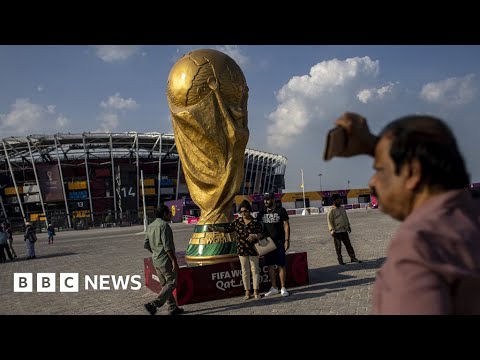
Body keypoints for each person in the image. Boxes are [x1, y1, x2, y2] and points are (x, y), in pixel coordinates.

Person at [326, 111, 480, 314]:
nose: (372, 182)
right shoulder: (469, 216)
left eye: (380, 169)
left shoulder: (420, 244)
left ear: (413, 173)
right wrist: (378, 145)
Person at [209, 200, 264, 300]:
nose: (243, 213)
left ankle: (256, 291)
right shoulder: (237, 222)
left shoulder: (255, 222)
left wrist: (255, 236)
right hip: (242, 250)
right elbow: (227, 229)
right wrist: (216, 228)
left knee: (255, 270)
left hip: (254, 249)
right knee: (245, 271)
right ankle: (247, 292)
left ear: (249, 211)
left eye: (245, 211)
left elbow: (262, 234)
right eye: (241, 211)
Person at [143, 205, 184, 316]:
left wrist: (155, 252)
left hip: (156, 260)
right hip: (166, 261)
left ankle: (172, 308)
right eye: (169, 212)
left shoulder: (151, 226)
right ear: (164, 214)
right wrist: (174, 261)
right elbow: (168, 247)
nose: (171, 214)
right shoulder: (164, 226)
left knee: (165, 285)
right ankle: (154, 304)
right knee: (172, 283)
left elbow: (146, 244)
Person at [257, 192, 290, 297]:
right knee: (270, 266)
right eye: (265, 199)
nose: (266, 201)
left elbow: (286, 225)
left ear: (273, 199)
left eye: (268, 199)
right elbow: (257, 224)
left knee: (281, 265)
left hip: (279, 241)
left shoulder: (281, 210)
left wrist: (287, 240)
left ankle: (283, 287)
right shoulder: (262, 211)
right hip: (267, 243)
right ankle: (274, 287)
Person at [327, 194, 362, 265]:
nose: (340, 201)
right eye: (338, 200)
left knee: (348, 244)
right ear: (334, 201)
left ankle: (353, 257)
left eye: (340, 200)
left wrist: (348, 226)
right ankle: (340, 260)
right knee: (338, 246)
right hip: (336, 231)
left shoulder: (342, 208)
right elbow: (330, 221)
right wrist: (332, 231)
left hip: (344, 230)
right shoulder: (331, 210)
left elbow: (345, 218)